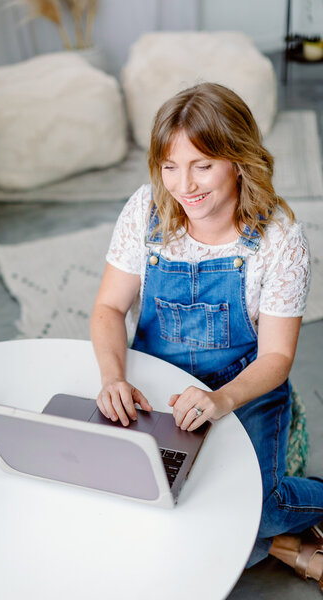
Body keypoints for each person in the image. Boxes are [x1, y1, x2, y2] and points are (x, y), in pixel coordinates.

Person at [90, 82, 323, 587]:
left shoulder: (279, 238)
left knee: (255, 514)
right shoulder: (146, 212)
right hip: (154, 384)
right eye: (170, 166)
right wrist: (113, 379)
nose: (183, 185)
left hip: (244, 392)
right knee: (134, 497)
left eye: (202, 165)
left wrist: (219, 401)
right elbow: (109, 307)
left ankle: (291, 519)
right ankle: (287, 549)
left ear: (238, 159)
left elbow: (278, 357)